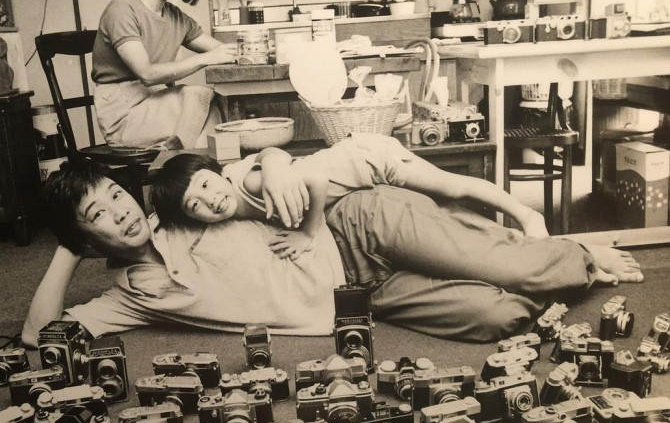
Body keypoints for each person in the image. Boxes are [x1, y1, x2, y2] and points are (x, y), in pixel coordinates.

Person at [21, 154, 644, 348]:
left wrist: (275, 171)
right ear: (87, 238)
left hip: (356, 228)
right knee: (500, 317)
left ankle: (580, 254)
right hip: (363, 299)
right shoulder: (131, 297)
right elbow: (37, 334)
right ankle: (484, 243)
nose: (120, 212)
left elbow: (257, 170)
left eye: (114, 196)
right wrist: (68, 248)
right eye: (97, 216)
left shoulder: (178, 210)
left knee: (512, 262)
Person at [149, 133, 550, 260]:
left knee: (452, 188)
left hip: (367, 161)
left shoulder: (249, 186)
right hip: (355, 171)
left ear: (216, 171)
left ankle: (527, 215)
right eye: (195, 206)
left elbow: (315, 181)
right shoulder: (231, 198)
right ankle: (508, 237)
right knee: (437, 211)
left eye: (205, 185)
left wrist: (308, 233)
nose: (210, 200)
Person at [91, 0, 236, 150]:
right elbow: (147, 74)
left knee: (212, 103)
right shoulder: (122, 9)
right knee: (200, 97)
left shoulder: (176, 18)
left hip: (157, 103)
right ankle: (186, 159)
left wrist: (253, 49)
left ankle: (186, 159)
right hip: (123, 115)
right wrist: (206, 59)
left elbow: (221, 51)